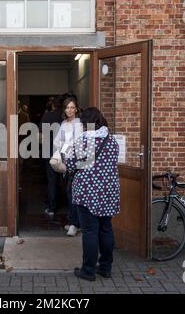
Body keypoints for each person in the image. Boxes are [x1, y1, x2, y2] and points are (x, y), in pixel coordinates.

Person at [64, 107, 120, 281]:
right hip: (108, 191)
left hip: (87, 192)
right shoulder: (111, 141)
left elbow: (70, 164)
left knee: (90, 231)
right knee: (106, 228)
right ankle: (105, 268)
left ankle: (88, 270)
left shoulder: (82, 142)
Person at [53, 95, 83, 236]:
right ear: (64, 110)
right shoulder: (64, 123)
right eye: (67, 108)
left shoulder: (78, 123)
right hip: (66, 161)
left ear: (76, 109)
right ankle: (73, 221)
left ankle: (74, 224)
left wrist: (65, 146)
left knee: (72, 193)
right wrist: (64, 147)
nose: (70, 110)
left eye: (72, 107)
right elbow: (57, 141)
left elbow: (77, 144)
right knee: (69, 192)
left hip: (76, 163)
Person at [40, 96, 63, 218]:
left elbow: (41, 135)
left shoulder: (47, 116)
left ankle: (52, 207)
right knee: (67, 181)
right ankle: (72, 213)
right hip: (65, 153)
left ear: (52, 105)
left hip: (49, 152)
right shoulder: (65, 117)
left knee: (52, 180)